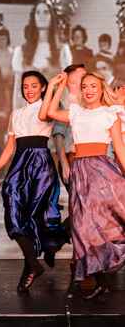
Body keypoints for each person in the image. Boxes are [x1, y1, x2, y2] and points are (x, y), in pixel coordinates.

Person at [45, 71, 125, 299]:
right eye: (85, 86)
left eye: (93, 86)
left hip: (102, 171)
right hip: (81, 171)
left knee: (103, 224)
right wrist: (57, 86)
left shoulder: (111, 113)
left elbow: (119, 149)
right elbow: (50, 112)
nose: (89, 90)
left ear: (101, 90)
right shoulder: (76, 112)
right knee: (80, 226)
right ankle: (88, 279)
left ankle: (94, 278)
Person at [0, 70, 66, 293]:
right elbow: (11, 146)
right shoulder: (17, 113)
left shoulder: (47, 107)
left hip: (40, 163)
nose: (29, 90)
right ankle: (33, 263)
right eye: (25, 86)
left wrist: (54, 85)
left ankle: (30, 267)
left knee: (33, 216)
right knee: (12, 205)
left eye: (34, 85)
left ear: (42, 88)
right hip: (19, 163)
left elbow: (44, 115)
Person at [12, 0, 60, 109]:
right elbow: (17, 91)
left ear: (52, 17)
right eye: (38, 13)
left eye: (46, 12)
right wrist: (16, 117)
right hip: (29, 113)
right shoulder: (21, 51)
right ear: (33, 17)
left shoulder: (62, 50)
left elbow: (67, 91)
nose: (42, 16)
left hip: (53, 113)